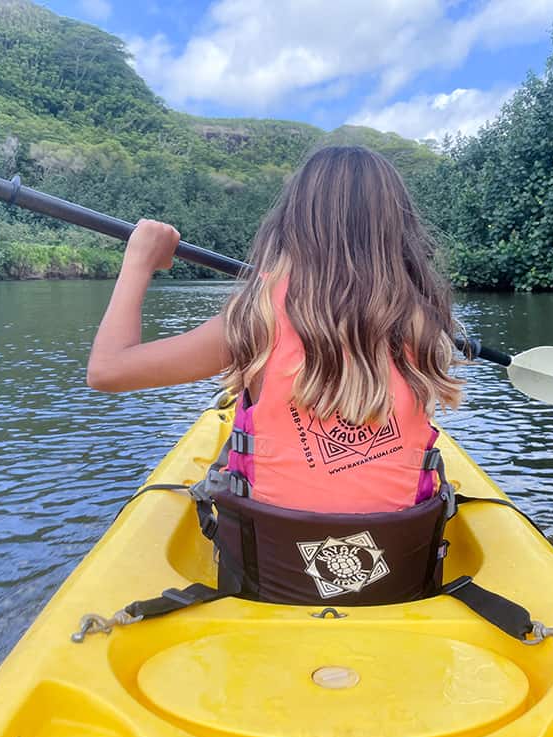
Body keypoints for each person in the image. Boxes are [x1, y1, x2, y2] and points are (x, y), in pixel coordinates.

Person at [87, 145, 462, 515]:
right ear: (400, 230)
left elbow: (108, 370)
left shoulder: (255, 318)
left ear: (292, 223)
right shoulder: (427, 324)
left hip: (270, 568)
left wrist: (139, 261)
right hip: (401, 564)